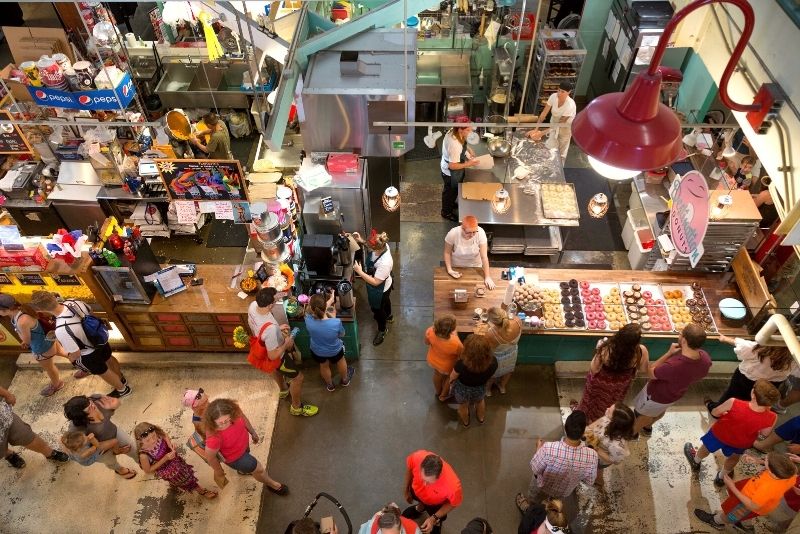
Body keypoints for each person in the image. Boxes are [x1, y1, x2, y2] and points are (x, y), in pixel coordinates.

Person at [30, 291, 131, 398]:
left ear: (42, 310)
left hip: (88, 353)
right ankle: (121, 379)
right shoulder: (74, 301)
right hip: (98, 339)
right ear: (53, 298)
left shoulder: (61, 329)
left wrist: (72, 359)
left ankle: (122, 389)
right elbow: (90, 312)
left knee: (103, 371)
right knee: (108, 358)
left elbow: (76, 353)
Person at [684, 380, 780, 487]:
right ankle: (721, 478)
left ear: (753, 394)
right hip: (741, 443)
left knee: (706, 448)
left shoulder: (734, 402)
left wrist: (724, 413)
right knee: (734, 458)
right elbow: (764, 434)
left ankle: (696, 462)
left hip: (719, 434)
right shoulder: (773, 417)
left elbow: (715, 412)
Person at [248, 287, 318, 417]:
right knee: (298, 378)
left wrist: (276, 328)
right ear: (270, 305)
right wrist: (286, 344)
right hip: (277, 356)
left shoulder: (253, 306)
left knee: (274, 369)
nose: (277, 300)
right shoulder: (271, 330)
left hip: (262, 348)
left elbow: (260, 328)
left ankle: (283, 390)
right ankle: (296, 407)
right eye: (275, 300)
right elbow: (273, 355)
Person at [632, 324, 712, 436]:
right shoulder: (705, 358)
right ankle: (647, 427)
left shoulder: (673, 365)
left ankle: (632, 433)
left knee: (642, 415)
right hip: (674, 395)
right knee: (658, 412)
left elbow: (650, 372)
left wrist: (668, 353)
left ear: (684, 340)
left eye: (680, 333)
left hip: (655, 395)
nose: (678, 334)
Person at [203, 398, 288, 495]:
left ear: (232, 413)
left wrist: (252, 432)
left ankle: (243, 471)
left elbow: (243, 417)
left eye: (226, 421)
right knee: (259, 469)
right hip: (235, 458)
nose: (224, 425)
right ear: (212, 422)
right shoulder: (214, 437)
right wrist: (219, 472)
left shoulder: (235, 412)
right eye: (220, 423)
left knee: (249, 459)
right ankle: (273, 485)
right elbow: (210, 457)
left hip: (243, 445)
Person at [694, 452, 797, 531]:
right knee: (731, 509)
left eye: (765, 460)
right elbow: (775, 464)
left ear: (771, 471)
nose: (763, 460)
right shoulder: (790, 474)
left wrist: (732, 486)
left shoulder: (767, 488)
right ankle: (741, 520)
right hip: (752, 491)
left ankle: (717, 521)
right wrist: (757, 461)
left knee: (730, 515)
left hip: (748, 504)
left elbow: (753, 506)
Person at [576, 323, 649, 423]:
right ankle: (603, 420)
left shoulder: (606, 347)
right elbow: (643, 368)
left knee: (592, 401)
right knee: (610, 404)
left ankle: (585, 418)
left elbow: (594, 368)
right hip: (620, 386)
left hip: (601, 383)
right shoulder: (641, 351)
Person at [706, 334, 795, 412]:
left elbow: (743, 346)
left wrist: (725, 339)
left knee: (731, 394)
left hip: (746, 380)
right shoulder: (794, 357)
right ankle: (739, 412)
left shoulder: (762, 349)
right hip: (772, 384)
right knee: (750, 400)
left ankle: (717, 410)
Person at [0, 294, 67, 397]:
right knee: (62, 352)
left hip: (42, 347)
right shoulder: (23, 308)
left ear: (5, 310)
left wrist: (20, 336)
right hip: (48, 338)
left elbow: (26, 340)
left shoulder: (21, 322)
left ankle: (57, 384)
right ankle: (82, 363)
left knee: (49, 368)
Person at [527, 411, 597, 503]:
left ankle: (531, 505)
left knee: (534, 497)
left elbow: (535, 469)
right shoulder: (592, 456)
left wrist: (538, 448)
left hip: (542, 486)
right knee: (554, 505)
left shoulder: (548, 448)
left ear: (565, 427)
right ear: (583, 432)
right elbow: (589, 481)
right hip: (563, 492)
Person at [134, 422, 218, 499]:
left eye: (154, 436)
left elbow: (164, 435)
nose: (153, 440)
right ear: (140, 441)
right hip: (167, 470)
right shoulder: (144, 455)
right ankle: (200, 490)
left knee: (184, 472)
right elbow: (148, 470)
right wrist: (165, 458)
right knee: (186, 478)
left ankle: (174, 484)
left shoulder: (158, 434)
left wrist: (170, 445)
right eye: (148, 440)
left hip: (175, 459)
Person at [63, 394, 138, 478]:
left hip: (114, 432)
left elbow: (117, 402)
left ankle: (143, 462)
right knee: (111, 462)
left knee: (133, 448)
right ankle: (119, 469)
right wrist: (111, 448)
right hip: (100, 451)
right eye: (88, 408)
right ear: (81, 416)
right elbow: (74, 450)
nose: (92, 405)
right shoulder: (76, 430)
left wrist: (115, 404)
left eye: (89, 402)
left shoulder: (97, 400)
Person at [1, 385, 69, 469]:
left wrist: (7, 394)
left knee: (26, 436)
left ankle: (49, 453)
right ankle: (8, 454)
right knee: (1, 449)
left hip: (4, 417)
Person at [402, 450, 463, 534]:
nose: (424, 484)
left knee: (436, 522)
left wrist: (433, 518)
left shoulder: (453, 486)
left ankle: (436, 523)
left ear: (439, 476)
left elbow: (453, 504)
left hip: (435, 505)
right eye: (422, 478)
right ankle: (420, 508)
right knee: (421, 500)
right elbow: (410, 469)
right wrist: (406, 490)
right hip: (417, 492)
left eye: (429, 482)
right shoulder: (417, 457)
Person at [304, 292, 354, 391]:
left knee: (324, 366)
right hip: (335, 350)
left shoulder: (307, 319)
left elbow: (312, 310)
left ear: (312, 309)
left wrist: (330, 300)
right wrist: (333, 317)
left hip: (317, 351)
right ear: (324, 307)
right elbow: (342, 334)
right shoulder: (335, 322)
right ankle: (344, 380)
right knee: (341, 361)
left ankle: (330, 385)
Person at [352, 229, 394, 346]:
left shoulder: (385, 263)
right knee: (385, 302)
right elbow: (370, 245)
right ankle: (389, 316)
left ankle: (382, 329)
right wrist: (361, 240)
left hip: (380, 289)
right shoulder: (382, 245)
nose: (369, 248)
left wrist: (359, 272)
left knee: (378, 310)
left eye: (371, 247)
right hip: (385, 284)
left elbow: (375, 282)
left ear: (378, 248)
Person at [449, 334, 498, 427]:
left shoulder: (461, 364)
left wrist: (450, 383)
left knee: (463, 406)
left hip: (462, 390)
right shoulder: (493, 362)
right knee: (480, 401)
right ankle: (481, 418)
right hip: (480, 388)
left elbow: (452, 377)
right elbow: (491, 376)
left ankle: (466, 422)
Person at [584, 403, 636, 485]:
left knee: (597, 469)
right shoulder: (609, 419)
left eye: (609, 411)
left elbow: (614, 460)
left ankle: (599, 480)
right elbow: (598, 422)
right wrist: (588, 429)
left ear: (615, 422)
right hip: (594, 446)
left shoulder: (617, 446)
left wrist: (596, 448)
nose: (607, 408)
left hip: (600, 460)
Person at [526, 81, 576, 162]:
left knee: (561, 153)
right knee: (550, 147)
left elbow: (559, 125)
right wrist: (536, 129)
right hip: (553, 124)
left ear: (569, 92)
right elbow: (543, 114)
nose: (559, 93)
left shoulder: (570, 105)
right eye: (558, 90)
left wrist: (541, 133)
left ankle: (559, 171)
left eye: (562, 92)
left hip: (565, 129)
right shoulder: (553, 96)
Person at [439, 116, 478, 221]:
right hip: (450, 173)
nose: (470, 132)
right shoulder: (454, 144)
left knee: (455, 190)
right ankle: (446, 212)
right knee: (450, 193)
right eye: (468, 130)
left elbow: (462, 143)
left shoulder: (454, 131)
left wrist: (468, 149)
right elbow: (452, 165)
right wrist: (469, 163)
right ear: (460, 129)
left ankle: (450, 204)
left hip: (452, 167)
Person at [443, 216, 495, 290]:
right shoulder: (453, 234)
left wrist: (487, 276)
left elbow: (484, 257)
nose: (472, 235)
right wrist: (450, 270)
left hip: (475, 266)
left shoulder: (480, 233)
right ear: (462, 228)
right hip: (457, 266)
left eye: (474, 232)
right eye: (469, 232)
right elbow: (447, 253)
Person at [484, 307, 522, 396]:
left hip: (497, 359)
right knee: (508, 371)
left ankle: (488, 391)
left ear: (492, 322)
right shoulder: (517, 321)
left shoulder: (491, 334)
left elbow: (488, 350)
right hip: (512, 353)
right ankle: (502, 387)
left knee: (493, 375)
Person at [425, 315, 463, 402]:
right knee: (448, 378)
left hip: (433, 360)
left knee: (437, 375)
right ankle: (443, 396)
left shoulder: (430, 331)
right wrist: (455, 335)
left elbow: (426, 342)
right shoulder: (456, 343)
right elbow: (461, 355)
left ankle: (438, 391)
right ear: (451, 330)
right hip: (447, 365)